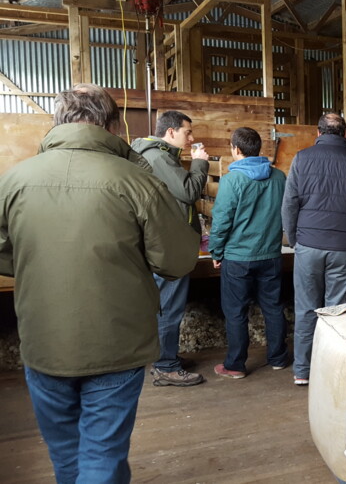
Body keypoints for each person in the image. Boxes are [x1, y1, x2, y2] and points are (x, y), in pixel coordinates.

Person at [0, 84, 198, 482]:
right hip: (117, 343)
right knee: (103, 454)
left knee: (65, 456)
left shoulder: (14, 180)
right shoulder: (136, 181)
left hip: (44, 341)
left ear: (57, 122)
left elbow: (6, 253)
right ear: (112, 124)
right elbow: (177, 260)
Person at [282, 112, 346, 386]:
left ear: (319, 133)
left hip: (309, 244)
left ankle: (303, 370)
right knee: (337, 311)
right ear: (344, 134)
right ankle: (332, 369)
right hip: (344, 246)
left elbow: (289, 203)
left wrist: (293, 240)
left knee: (306, 309)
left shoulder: (302, 158)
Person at [131, 110, 209, 387]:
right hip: (166, 247)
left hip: (164, 243)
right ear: (171, 132)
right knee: (168, 308)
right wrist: (200, 164)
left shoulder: (159, 155)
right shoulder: (158, 157)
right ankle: (166, 366)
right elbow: (189, 192)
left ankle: (167, 356)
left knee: (166, 306)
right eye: (188, 132)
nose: (192, 138)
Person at [210, 127, 289, 379]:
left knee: (236, 312)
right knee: (274, 307)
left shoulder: (232, 180)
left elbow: (222, 220)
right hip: (270, 255)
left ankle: (235, 365)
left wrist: (216, 251)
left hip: (238, 258)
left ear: (236, 149)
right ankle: (278, 358)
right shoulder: (278, 177)